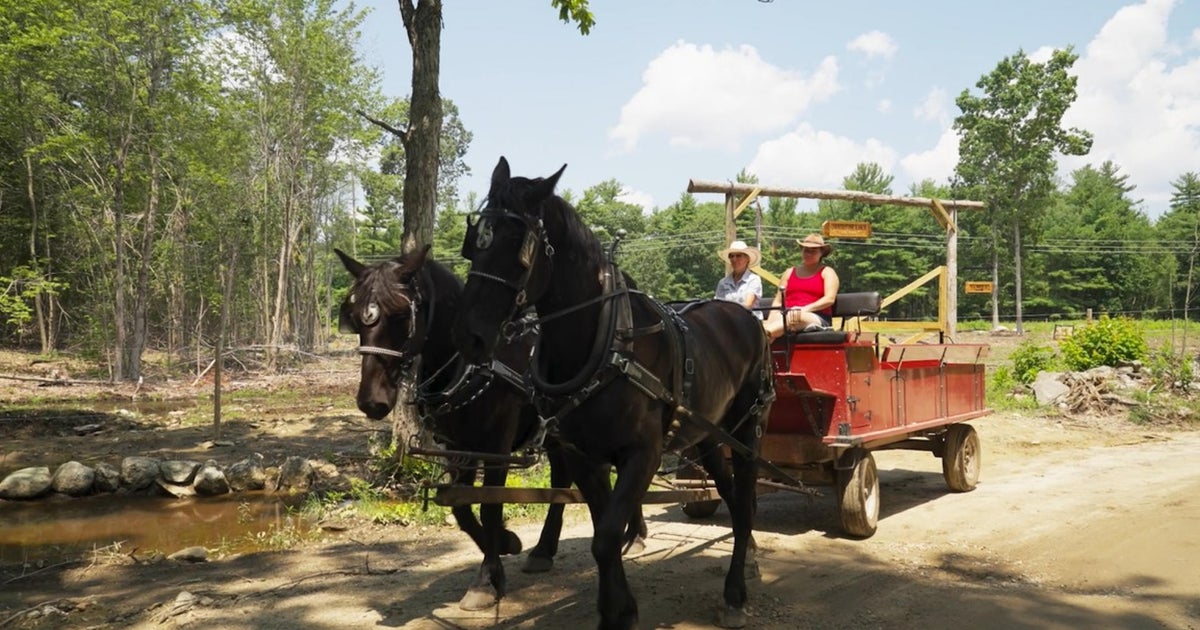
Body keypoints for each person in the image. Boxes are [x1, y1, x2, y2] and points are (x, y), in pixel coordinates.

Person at [763, 233, 840, 340]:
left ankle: (763, 336)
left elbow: (829, 299)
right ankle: (765, 338)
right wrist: (770, 320)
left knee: (795, 317)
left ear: (821, 253)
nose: (808, 253)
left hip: (816, 316)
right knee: (762, 324)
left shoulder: (827, 272)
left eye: (813, 251)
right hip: (786, 315)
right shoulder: (789, 272)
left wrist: (803, 309)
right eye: (806, 250)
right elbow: (778, 301)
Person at [715, 240, 763, 317]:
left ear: (747, 258)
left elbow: (747, 306)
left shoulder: (754, 280)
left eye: (738, 255)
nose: (734, 259)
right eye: (731, 256)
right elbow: (717, 306)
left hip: (750, 322)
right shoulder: (723, 283)